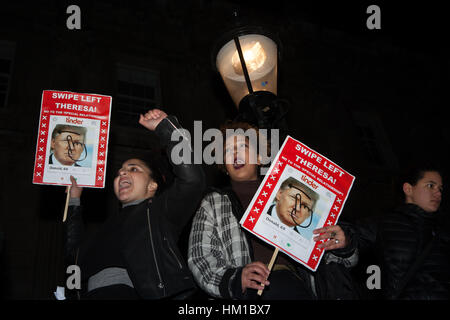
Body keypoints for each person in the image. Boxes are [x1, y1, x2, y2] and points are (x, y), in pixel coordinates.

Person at [188, 121, 358, 300]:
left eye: (242, 146)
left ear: (260, 158)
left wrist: (342, 246)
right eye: (227, 151)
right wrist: (236, 279)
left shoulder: (292, 193)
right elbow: (200, 257)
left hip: (298, 287)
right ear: (225, 167)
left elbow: (345, 261)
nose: (234, 153)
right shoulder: (213, 203)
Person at [63, 109, 206, 299]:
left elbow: (192, 180)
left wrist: (166, 128)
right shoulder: (105, 227)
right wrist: (74, 200)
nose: (122, 173)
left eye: (133, 169)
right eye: (120, 171)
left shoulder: (158, 213)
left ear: (152, 185)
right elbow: (74, 254)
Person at [351, 163, 450, 299]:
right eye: (430, 186)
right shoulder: (385, 223)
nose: (438, 193)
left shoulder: (442, 232)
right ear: (408, 189)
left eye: (440, 188)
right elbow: (351, 237)